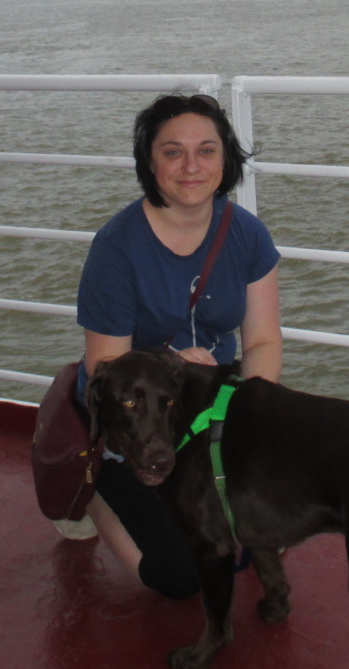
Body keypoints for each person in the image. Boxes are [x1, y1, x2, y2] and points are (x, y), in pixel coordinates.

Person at [68, 92, 282, 598]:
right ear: (149, 161)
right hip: (132, 417)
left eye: (207, 151)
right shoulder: (117, 248)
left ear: (226, 159)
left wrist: (236, 413)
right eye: (172, 152)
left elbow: (264, 341)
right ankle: (92, 489)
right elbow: (105, 362)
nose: (192, 166)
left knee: (250, 544)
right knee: (184, 576)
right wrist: (170, 367)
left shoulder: (247, 237)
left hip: (212, 404)